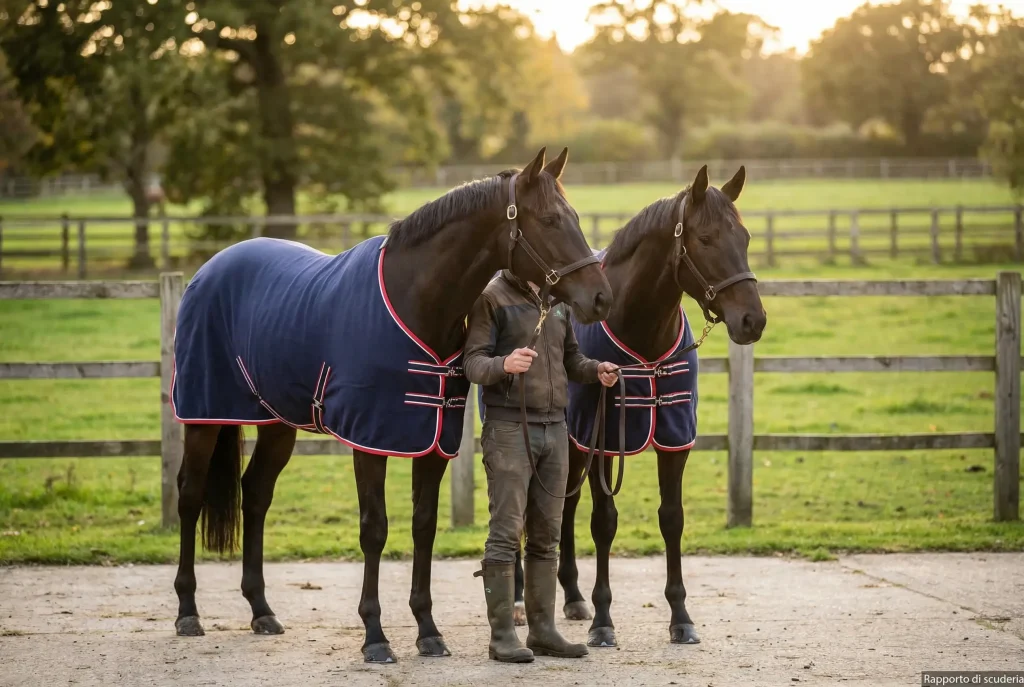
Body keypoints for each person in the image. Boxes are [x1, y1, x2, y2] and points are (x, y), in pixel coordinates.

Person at [463, 270, 619, 663]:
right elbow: (473, 362)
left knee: (547, 535)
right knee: (505, 532)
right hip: (509, 428)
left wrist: (595, 369)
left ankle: (544, 632)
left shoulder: (559, 301)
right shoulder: (491, 297)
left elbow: (571, 359)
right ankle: (501, 637)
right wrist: (504, 364)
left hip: (555, 428)